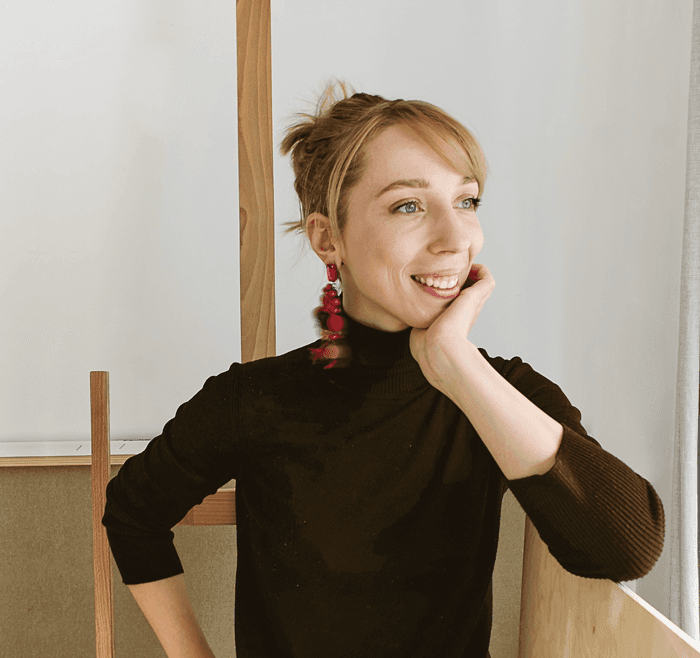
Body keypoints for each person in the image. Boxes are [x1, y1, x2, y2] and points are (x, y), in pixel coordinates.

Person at [102, 81, 665, 658]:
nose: (456, 239)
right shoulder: (253, 399)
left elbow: (630, 548)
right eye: (408, 206)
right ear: (329, 239)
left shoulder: (502, 393)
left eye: (467, 201)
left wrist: (455, 364)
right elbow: (131, 515)